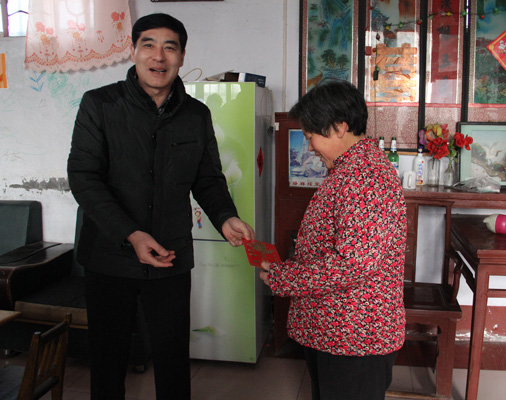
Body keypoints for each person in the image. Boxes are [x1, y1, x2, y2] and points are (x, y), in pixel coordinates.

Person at [67, 13, 254, 400]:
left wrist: (226, 217)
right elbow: (84, 178)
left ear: (182, 56)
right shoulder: (100, 105)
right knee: (108, 361)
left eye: (170, 47)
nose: (159, 56)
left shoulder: (196, 115)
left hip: (171, 256)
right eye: (148, 45)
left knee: (172, 360)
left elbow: (208, 179)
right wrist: (131, 234)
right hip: (109, 256)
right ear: (133, 52)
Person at [260, 80, 407, 400]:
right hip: (337, 330)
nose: (310, 147)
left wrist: (286, 278)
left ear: (340, 127)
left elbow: (353, 264)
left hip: (355, 335)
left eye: (310, 136)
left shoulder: (365, 176)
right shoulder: (350, 169)